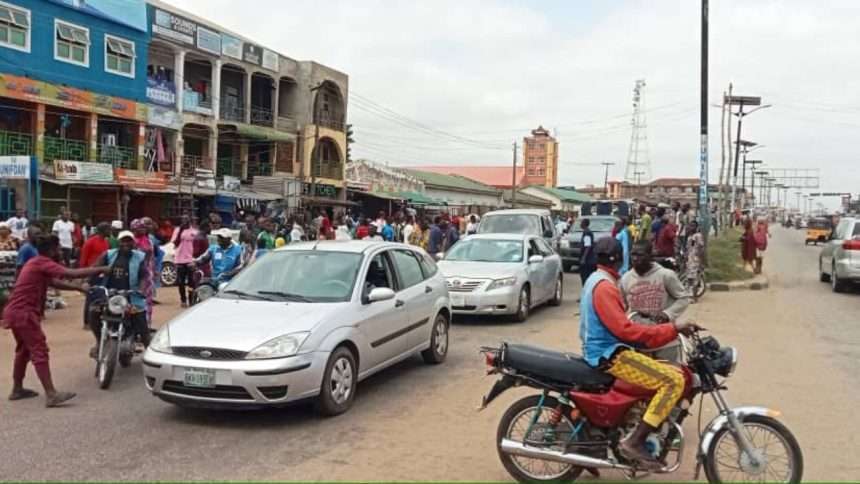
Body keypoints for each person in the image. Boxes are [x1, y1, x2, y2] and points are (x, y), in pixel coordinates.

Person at [579, 237, 698, 469]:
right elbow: (625, 330)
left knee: (658, 377)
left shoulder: (596, 279)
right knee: (673, 380)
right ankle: (634, 441)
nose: (634, 259)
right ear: (621, 258)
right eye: (630, 255)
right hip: (609, 355)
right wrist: (672, 328)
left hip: (604, 348)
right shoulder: (606, 286)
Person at [3, 234, 107, 407]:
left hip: (15, 312)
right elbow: (70, 273)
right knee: (39, 349)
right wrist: (101, 268)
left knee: (24, 350)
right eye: (57, 249)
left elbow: (53, 282)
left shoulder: (35, 262)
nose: (59, 251)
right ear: (51, 250)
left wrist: (78, 288)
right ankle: (51, 394)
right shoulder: (42, 262)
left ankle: (17, 389)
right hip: (24, 313)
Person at [620, 241, 691, 361]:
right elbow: (622, 307)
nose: (635, 259)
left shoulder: (666, 275)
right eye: (633, 255)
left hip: (666, 342)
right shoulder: (626, 279)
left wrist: (667, 314)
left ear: (650, 256)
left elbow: (683, 298)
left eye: (640, 255)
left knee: (670, 376)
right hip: (640, 343)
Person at [87, 231, 151, 356]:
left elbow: (144, 276)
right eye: (123, 241)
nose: (126, 244)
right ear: (119, 242)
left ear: (133, 243)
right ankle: (99, 341)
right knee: (94, 312)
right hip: (109, 296)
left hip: (131, 296)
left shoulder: (140, 257)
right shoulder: (109, 254)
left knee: (141, 321)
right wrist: (87, 282)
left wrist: (141, 291)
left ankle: (150, 352)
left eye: (129, 241)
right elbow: (95, 268)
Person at [170, 215, 198, 308]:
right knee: (181, 281)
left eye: (186, 219)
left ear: (190, 220)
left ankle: (191, 299)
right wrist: (180, 231)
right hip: (179, 259)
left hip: (190, 259)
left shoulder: (194, 231)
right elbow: (175, 243)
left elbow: (197, 244)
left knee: (191, 282)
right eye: (183, 219)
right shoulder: (177, 230)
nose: (184, 221)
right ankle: (183, 299)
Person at [130, 219, 155, 324]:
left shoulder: (148, 240)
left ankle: (147, 319)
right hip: (135, 272)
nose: (143, 229)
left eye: (144, 227)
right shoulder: (131, 241)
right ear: (134, 229)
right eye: (141, 228)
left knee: (148, 297)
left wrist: (154, 270)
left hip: (147, 272)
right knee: (135, 295)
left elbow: (152, 257)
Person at [579, 218, 597, 286]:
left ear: (584, 224)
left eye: (581, 222)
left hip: (588, 260)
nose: (580, 224)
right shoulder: (586, 232)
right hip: (589, 259)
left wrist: (583, 258)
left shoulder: (587, 233)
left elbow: (588, 246)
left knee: (585, 277)